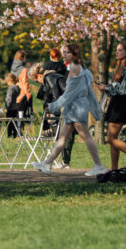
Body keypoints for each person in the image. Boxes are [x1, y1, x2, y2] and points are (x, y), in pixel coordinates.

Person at [33, 44, 109, 176]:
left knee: (86, 136)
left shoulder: (75, 69)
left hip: (77, 108)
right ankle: (47, 164)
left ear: (74, 54)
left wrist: (52, 106)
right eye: (64, 52)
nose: (64, 55)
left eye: (67, 52)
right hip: (74, 108)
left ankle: (99, 166)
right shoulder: (79, 68)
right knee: (62, 138)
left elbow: (68, 94)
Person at [96, 41, 126, 170]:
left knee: (110, 138)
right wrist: (106, 87)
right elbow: (117, 86)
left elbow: (124, 90)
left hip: (121, 104)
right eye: (117, 50)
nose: (117, 52)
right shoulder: (120, 66)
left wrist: (106, 89)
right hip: (115, 103)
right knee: (113, 139)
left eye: (120, 50)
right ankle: (114, 169)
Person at [3, 73, 24, 137]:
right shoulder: (18, 88)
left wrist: (7, 107)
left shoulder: (10, 88)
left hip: (10, 108)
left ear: (9, 81)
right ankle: (16, 134)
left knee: (9, 123)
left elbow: (8, 99)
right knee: (16, 122)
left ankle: (9, 135)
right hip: (17, 108)